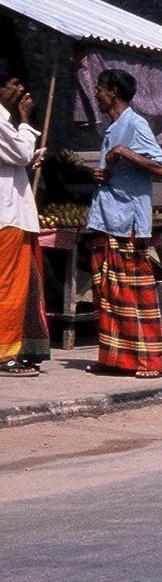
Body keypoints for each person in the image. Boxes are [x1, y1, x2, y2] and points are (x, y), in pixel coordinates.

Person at [85, 68, 162, 378]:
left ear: (113, 93)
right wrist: (101, 174)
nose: (96, 93)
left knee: (135, 293)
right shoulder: (112, 128)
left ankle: (150, 362)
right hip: (106, 217)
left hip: (127, 222)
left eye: (99, 89)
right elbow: (115, 172)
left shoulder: (135, 124)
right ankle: (114, 359)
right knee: (107, 293)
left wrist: (124, 152)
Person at [0, 66, 49, 376]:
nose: (20, 89)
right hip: (8, 215)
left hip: (11, 212)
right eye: (13, 84)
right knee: (9, 286)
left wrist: (30, 154)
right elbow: (18, 154)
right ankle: (5, 354)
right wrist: (26, 120)